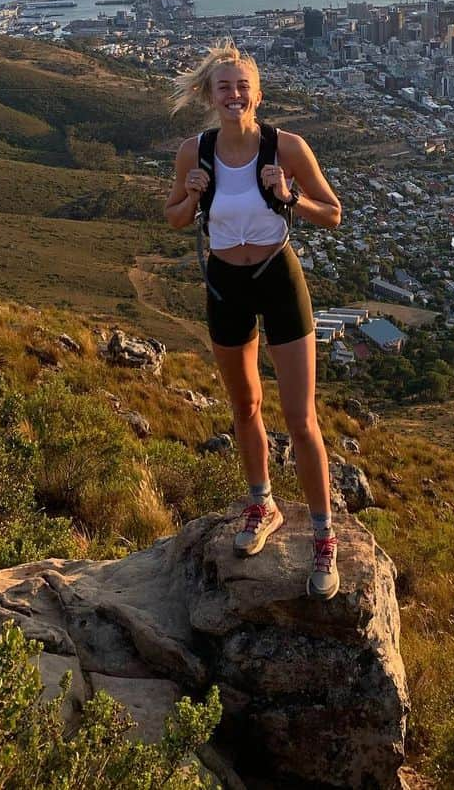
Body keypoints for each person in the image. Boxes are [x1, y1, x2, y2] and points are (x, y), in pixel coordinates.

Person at [164, 42, 343, 599]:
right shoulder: (194, 152)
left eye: (243, 86)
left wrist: (289, 199)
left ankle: (323, 535)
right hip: (225, 284)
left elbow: (333, 213)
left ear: (257, 93)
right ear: (209, 95)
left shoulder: (285, 146)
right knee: (244, 407)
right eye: (224, 87)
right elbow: (172, 219)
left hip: (277, 276)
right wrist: (190, 199)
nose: (235, 94)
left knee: (300, 416)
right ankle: (261, 503)